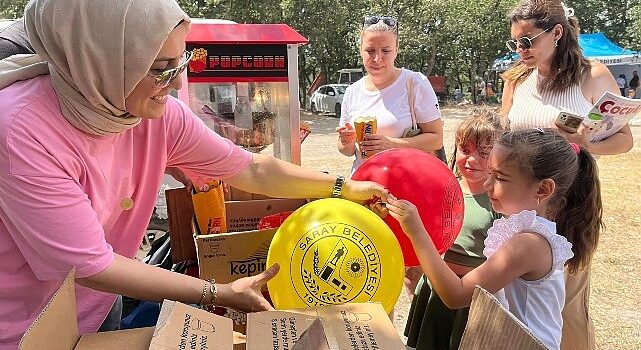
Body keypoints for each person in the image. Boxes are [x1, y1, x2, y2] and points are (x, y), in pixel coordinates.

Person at [0, 0, 388, 348]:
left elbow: (250, 168)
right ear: (96, 59)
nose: (178, 83)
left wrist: (343, 186)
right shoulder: (21, 128)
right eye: (160, 69)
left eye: (180, 63)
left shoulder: (152, 112)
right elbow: (90, 265)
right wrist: (218, 292)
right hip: (22, 325)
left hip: (97, 304)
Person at [389, 128, 602, 350]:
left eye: (500, 177)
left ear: (543, 189)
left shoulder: (528, 245)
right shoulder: (526, 231)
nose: (488, 184)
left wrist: (417, 231)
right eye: (490, 173)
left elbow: (456, 295)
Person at [500, 2, 633, 349]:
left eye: (528, 41)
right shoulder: (516, 79)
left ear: (557, 33)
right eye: (515, 42)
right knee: (520, 301)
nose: (520, 50)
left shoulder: (594, 75)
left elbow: (624, 140)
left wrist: (587, 143)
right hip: (520, 205)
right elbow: (503, 137)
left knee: (568, 303)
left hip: (570, 204)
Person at [404, 108, 506, 350]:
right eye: (465, 150)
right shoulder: (445, 187)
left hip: (472, 297)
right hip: (435, 289)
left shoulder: (500, 199)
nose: (471, 160)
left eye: (484, 153)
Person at [336, 15, 443, 172]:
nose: (377, 58)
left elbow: (436, 139)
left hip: (404, 185)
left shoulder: (415, 83)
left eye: (386, 50)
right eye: (370, 51)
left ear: (396, 50)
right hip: (362, 184)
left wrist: (391, 144)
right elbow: (347, 151)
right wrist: (346, 140)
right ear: (360, 49)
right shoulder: (353, 92)